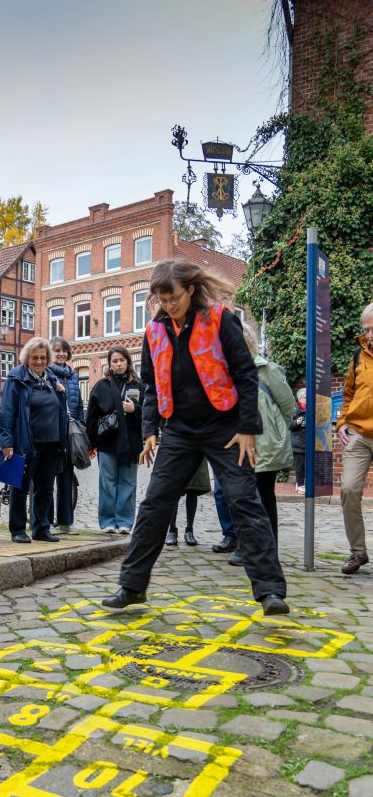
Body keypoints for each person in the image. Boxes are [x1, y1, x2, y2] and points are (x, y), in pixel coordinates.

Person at [101, 257, 289, 616]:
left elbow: (246, 374)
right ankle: (131, 586)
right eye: (162, 299)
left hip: (225, 426)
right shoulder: (154, 331)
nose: (168, 305)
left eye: (174, 298)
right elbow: (152, 386)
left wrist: (248, 428)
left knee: (244, 502)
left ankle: (270, 592)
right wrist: (151, 431)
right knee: (155, 503)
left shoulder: (219, 319)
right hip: (180, 430)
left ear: (190, 290)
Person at [226, 323, 294, 566]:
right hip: (237, 444)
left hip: (265, 444)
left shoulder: (267, 370)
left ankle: (268, 547)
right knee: (241, 496)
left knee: (264, 496)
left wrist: (274, 431)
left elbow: (287, 405)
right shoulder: (226, 373)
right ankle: (246, 546)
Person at [0, 337, 68, 543]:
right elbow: (7, 412)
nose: (39, 361)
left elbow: (61, 410)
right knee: (19, 487)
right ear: (27, 358)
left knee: (45, 488)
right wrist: (6, 442)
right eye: (35, 357)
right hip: (25, 442)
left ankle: (41, 528)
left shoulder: (52, 379)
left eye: (43, 357)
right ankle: (18, 529)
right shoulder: (16, 379)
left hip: (51, 442)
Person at [85, 346, 142, 534]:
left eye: (121, 360)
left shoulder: (138, 385)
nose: (118, 364)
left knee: (128, 482)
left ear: (128, 361)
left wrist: (136, 411)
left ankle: (125, 522)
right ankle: (108, 521)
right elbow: (91, 417)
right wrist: (91, 443)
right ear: (110, 364)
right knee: (107, 483)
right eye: (115, 361)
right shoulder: (101, 386)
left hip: (131, 443)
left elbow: (150, 413)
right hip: (107, 443)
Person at [336, 302, 373, 574]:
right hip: (359, 434)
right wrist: (341, 421)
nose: (368, 334)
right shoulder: (358, 356)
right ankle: (358, 552)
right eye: (365, 329)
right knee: (349, 489)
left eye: (372, 329)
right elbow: (348, 394)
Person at [48, 336, 85, 533]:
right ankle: (46, 522)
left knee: (66, 478)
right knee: (48, 477)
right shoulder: (46, 373)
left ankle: (65, 522)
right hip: (53, 432)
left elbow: (77, 403)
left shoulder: (73, 375)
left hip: (70, 432)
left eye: (64, 350)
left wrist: (80, 426)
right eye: (57, 350)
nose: (61, 354)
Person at [165, 460, 210, 546]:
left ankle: (189, 530)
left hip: (197, 451)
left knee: (193, 489)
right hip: (178, 451)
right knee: (174, 490)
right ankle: (172, 530)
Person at [290, 388, 307, 494]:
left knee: (307, 465)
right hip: (298, 443)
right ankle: (300, 485)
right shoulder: (294, 409)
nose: (308, 399)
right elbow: (288, 424)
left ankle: (301, 483)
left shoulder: (310, 408)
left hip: (308, 442)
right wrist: (297, 422)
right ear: (300, 398)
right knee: (299, 465)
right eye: (305, 397)